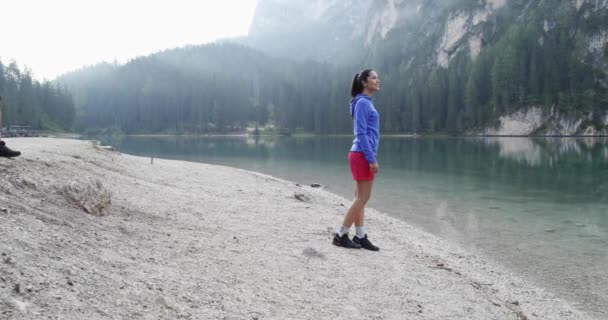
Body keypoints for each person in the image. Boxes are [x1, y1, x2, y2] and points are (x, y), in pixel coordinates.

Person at [332, 69, 381, 251]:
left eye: (377, 77)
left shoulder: (365, 102)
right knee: (363, 197)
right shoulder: (362, 103)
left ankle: (360, 236)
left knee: (360, 197)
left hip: (361, 154)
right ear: (364, 83)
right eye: (374, 77)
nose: (378, 80)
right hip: (362, 154)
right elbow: (360, 133)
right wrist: (371, 159)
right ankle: (340, 235)